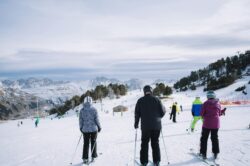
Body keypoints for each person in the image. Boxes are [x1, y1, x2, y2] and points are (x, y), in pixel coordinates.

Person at [134, 85, 166, 166]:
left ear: (144, 92)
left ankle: (144, 162)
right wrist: (158, 118)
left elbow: (137, 114)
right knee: (155, 142)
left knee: (144, 143)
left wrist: (136, 123)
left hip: (145, 127)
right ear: (151, 91)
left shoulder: (140, 100)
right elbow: (163, 112)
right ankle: (157, 161)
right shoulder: (157, 99)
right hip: (156, 126)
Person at [199, 91, 226, 160]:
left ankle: (203, 153)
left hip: (207, 124)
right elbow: (219, 113)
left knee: (204, 138)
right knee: (214, 138)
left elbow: (201, 114)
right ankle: (215, 153)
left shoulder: (205, 103)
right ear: (214, 96)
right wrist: (222, 112)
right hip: (215, 124)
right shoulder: (218, 104)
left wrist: (204, 115)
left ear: (208, 96)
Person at [79, 96, 101, 164]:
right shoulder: (94, 109)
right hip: (94, 129)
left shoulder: (82, 110)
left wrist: (81, 127)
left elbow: (80, 120)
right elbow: (97, 119)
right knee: (93, 142)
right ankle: (93, 156)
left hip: (85, 130)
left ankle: (85, 158)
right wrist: (99, 126)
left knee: (86, 143)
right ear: (91, 101)